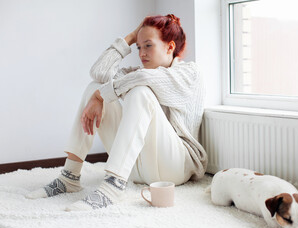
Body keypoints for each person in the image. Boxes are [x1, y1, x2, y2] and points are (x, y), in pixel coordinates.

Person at [26, 14, 207, 211]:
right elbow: (99, 72)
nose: (141, 53)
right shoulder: (135, 73)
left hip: (175, 167)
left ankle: (112, 188)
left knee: (139, 91)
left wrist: (101, 95)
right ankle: (69, 177)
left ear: (170, 47)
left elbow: (146, 78)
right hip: (138, 169)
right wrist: (130, 37)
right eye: (138, 47)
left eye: (148, 45)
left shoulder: (190, 73)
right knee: (93, 86)